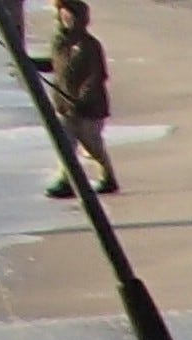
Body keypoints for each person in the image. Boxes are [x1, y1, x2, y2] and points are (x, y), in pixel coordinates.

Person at [43, 0, 119, 200]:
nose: (64, 18)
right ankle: (66, 181)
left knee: (91, 146)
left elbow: (97, 76)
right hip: (64, 105)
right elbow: (52, 64)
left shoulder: (90, 45)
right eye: (61, 15)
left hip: (90, 107)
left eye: (68, 15)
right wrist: (27, 63)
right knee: (65, 144)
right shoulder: (58, 42)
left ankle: (108, 178)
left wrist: (83, 99)